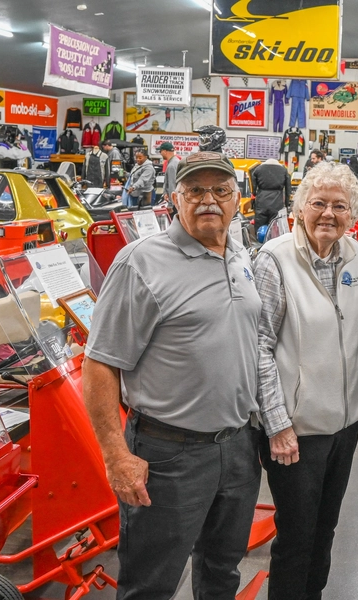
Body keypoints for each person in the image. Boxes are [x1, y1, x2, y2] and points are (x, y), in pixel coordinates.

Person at [82, 152, 263, 599]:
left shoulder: (239, 256)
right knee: (151, 582)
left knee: (222, 569)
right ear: (173, 199)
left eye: (220, 190)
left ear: (237, 200)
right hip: (168, 453)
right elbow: (100, 362)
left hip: (238, 446)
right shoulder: (140, 263)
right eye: (195, 190)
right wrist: (116, 455)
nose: (208, 201)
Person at [253, 162, 358, 600]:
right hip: (297, 431)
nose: (328, 214)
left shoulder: (352, 255)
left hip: (344, 426)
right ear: (298, 209)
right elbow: (260, 348)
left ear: (353, 214)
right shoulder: (274, 261)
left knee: (325, 530)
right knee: (296, 536)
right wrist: (277, 424)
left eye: (339, 206)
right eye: (318, 204)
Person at [251, 158, 293, 228]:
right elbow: (288, 190)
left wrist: (253, 203)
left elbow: (253, 189)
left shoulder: (258, 169)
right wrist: (286, 204)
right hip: (277, 204)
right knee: (275, 229)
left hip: (261, 203)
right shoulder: (283, 170)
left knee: (259, 228)